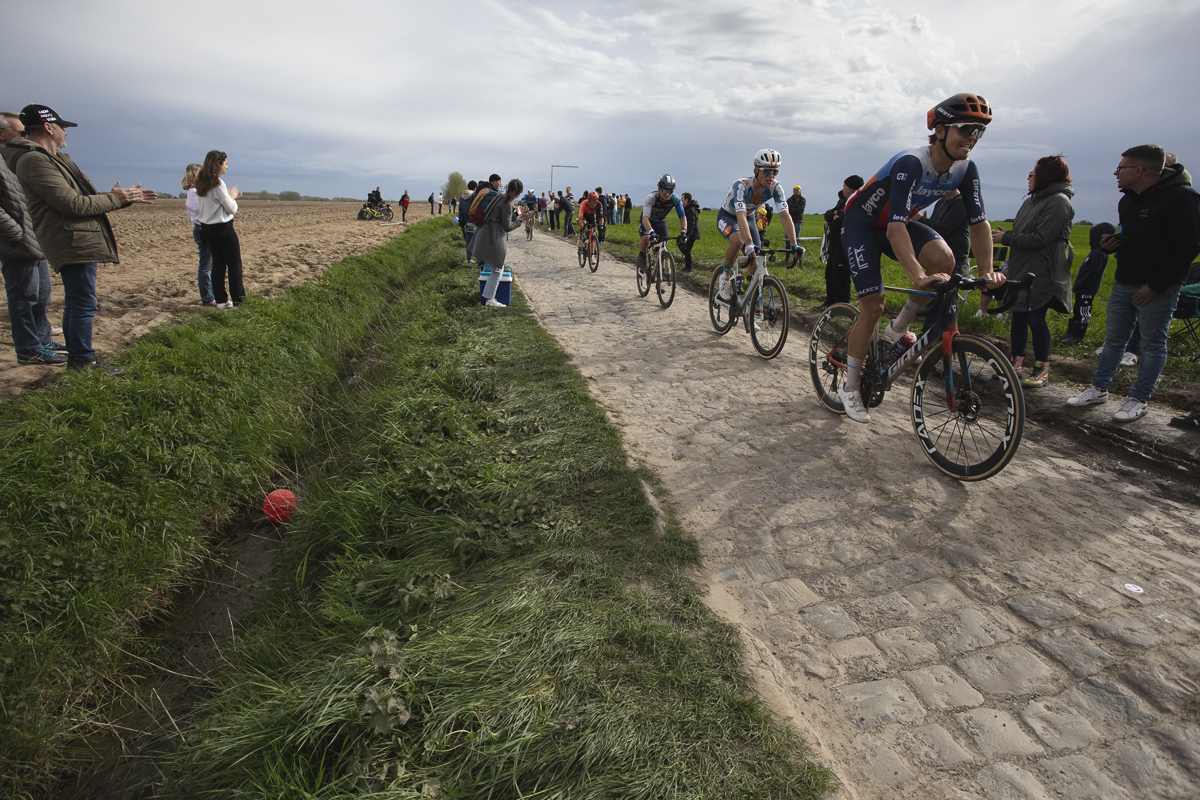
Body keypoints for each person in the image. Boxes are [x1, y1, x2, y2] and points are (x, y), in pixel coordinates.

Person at [837, 94, 1004, 423]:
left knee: (945, 261)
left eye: (979, 131)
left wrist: (987, 272)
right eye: (966, 128)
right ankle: (850, 386)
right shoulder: (911, 163)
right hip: (861, 224)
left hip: (892, 224)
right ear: (940, 131)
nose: (972, 136)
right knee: (873, 305)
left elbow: (979, 222)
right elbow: (896, 228)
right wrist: (917, 276)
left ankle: (898, 329)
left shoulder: (965, 170)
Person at [5, 104, 157, 375]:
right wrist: (115, 199)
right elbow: (72, 205)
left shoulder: (53, 158)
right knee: (82, 302)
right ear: (49, 128)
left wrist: (118, 200)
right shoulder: (34, 160)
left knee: (80, 300)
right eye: (63, 127)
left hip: (78, 237)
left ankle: (80, 357)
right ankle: (82, 361)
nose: (66, 132)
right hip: (71, 239)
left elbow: (80, 199)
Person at [1066, 145, 1200, 422]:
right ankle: (1099, 389)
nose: (1116, 173)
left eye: (1122, 168)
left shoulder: (1181, 198)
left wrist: (1156, 286)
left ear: (1140, 171)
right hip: (1123, 282)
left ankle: (1138, 399)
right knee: (1114, 341)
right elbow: (1136, 239)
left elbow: (1188, 247)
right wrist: (1109, 245)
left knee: (1152, 346)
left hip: (1157, 289)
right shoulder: (1128, 200)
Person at [992, 156, 1075, 387]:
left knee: (1035, 318)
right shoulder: (1031, 201)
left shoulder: (1059, 202)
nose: (1029, 177)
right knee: (1018, 315)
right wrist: (1009, 235)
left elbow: (1042, 238)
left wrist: (1006, 238)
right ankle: (1014, 364)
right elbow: (1027, 233)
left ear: (1046, 175)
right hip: (1022, 266)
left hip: (1043, 269)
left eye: (1034, 172)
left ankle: (1041, 369)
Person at [1, 113, 65, 366]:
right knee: (24, 298)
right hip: (18, 242)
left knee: (41, 294)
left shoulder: (14, 159)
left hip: (33, 237)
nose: (25, 135)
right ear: (2, 134)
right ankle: (29, 349)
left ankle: (42, 339)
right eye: (19, 132)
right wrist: (17, 236)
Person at [714, 149, 800, 305]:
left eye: (775, 171)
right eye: (767, 170)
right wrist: (748, 244)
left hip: (749, 217)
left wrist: (794, 244)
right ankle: (725, 277)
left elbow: (785, 216)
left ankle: (746, 303)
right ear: (756, 170)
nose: (771, 175)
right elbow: (740, 216)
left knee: (757, 260)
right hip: (728, 216)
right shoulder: (741, 186)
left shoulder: (776, 188)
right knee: (739, 241)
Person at [469, 178, 535, 307]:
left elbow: (503, 218)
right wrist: (522, 219)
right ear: (520, 192)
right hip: (493, 236)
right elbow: (507, 227)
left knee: (494, 268)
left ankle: (488, 297)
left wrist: (517, 214)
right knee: (497, 269)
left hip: (486, 233)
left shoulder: (501, 198)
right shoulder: (508, 202)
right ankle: (490, 299)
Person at [194, 150, 245, 310]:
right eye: (225, 163)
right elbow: (230, 208)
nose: (227, 167)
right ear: (218, 164)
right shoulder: (218, 184)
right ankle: (239, 301)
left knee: (218, 265)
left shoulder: (202, 183)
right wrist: (232, 196)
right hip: (223, 229)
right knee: (234, 264)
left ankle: (221, 301)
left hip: (207, 229)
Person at [1062, 222, 1116, 344]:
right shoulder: (1094, 252)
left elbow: (1093, 272)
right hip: (1082, 289)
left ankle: (1077, 336)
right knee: (1077, 310)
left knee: (1083, 312)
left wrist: (1083, 283)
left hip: (1087, 289)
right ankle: (1071, 332)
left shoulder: (1099, 253)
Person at [817, 175, 864, 311]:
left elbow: (840, 222)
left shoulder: (856, 202)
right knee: (830, 274)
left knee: (841, 276)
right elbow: (828, 214)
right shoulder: (843, 201)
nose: (842, 188)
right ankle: (830, 303)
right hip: (834, 244)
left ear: (849, 188)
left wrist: (834, 219)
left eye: (844, 186)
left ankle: (843, 305)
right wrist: (833, 216)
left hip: (845, 245)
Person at [637, 175, 688, 273]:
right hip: (648, 221)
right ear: (659, 189)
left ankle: (662, 272)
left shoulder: (675, 199)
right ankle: (642, 256)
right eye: (665, 191)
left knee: (661, 246)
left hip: (660, 222)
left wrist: (683, 231)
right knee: (646, 239)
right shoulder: (651, 197)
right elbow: (645, 218)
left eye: (670, 191)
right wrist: (651, 231)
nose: (667, 194)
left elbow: (682, 217)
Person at [182, 163, 215, 307]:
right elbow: (202, 210)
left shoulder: (193, 192)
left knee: (209, 264)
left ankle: (210, 295)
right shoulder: (195, 193)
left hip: (201, 228)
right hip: (203, 229)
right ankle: (208, 298)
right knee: (206, 266)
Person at [679, 191, 701, 273]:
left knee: (687, 249)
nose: (681, 200)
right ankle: (687, 266)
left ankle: (689, 268)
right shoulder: (688, 208)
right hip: (690, 233)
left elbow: (692, 223)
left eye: (682, 198)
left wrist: (687, 235)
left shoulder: (691, 209)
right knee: (685, 248)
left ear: (686, 200)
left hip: (692, 234)